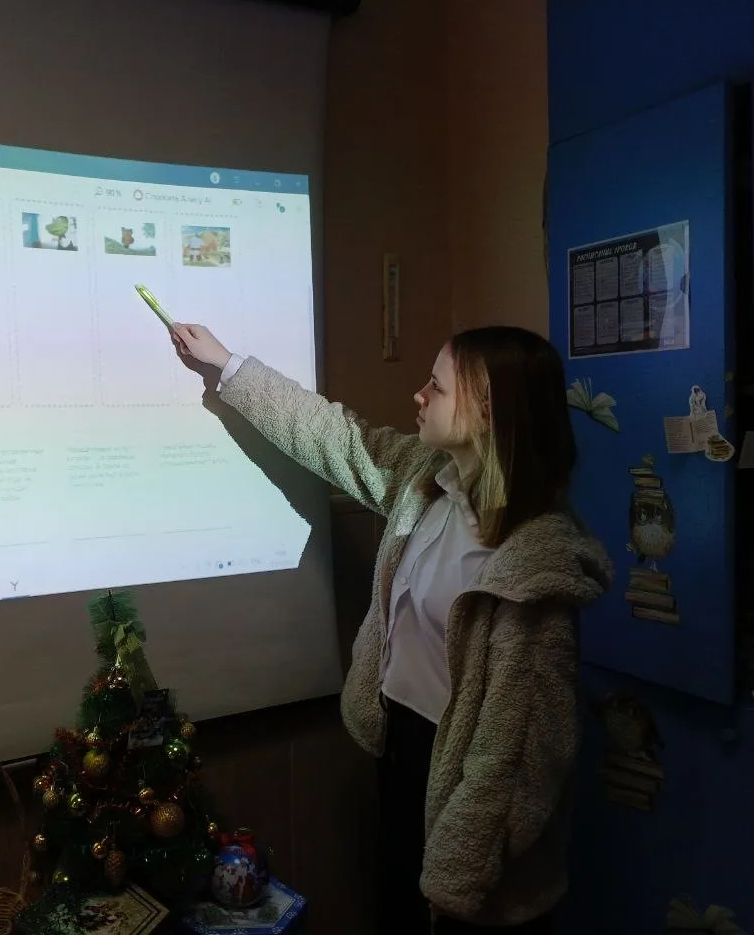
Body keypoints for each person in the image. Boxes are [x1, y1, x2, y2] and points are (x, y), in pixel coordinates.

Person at [170, 322, 613, 934]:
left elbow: (516, 761)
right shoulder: (429, 481)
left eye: (437, 386)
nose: (418, 395)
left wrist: (458, 880)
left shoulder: (534, 565)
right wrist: (226, 364)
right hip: (406, 755)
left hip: (473, 806)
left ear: (489, 412)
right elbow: (334, 435)